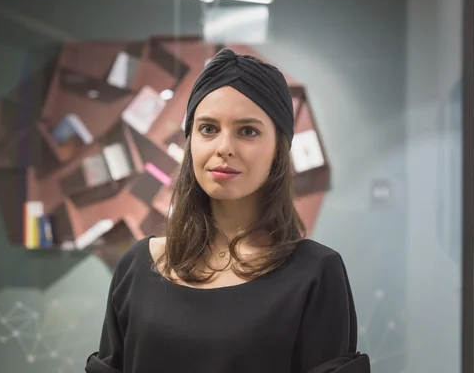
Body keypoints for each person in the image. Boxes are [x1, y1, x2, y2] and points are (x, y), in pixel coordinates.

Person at [85, 49, 370, 373]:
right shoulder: (137, 266)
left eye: (247, 131)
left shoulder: (316, 274)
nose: (224, 147)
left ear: (279, 147)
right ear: (190, 139)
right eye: (208, 129)